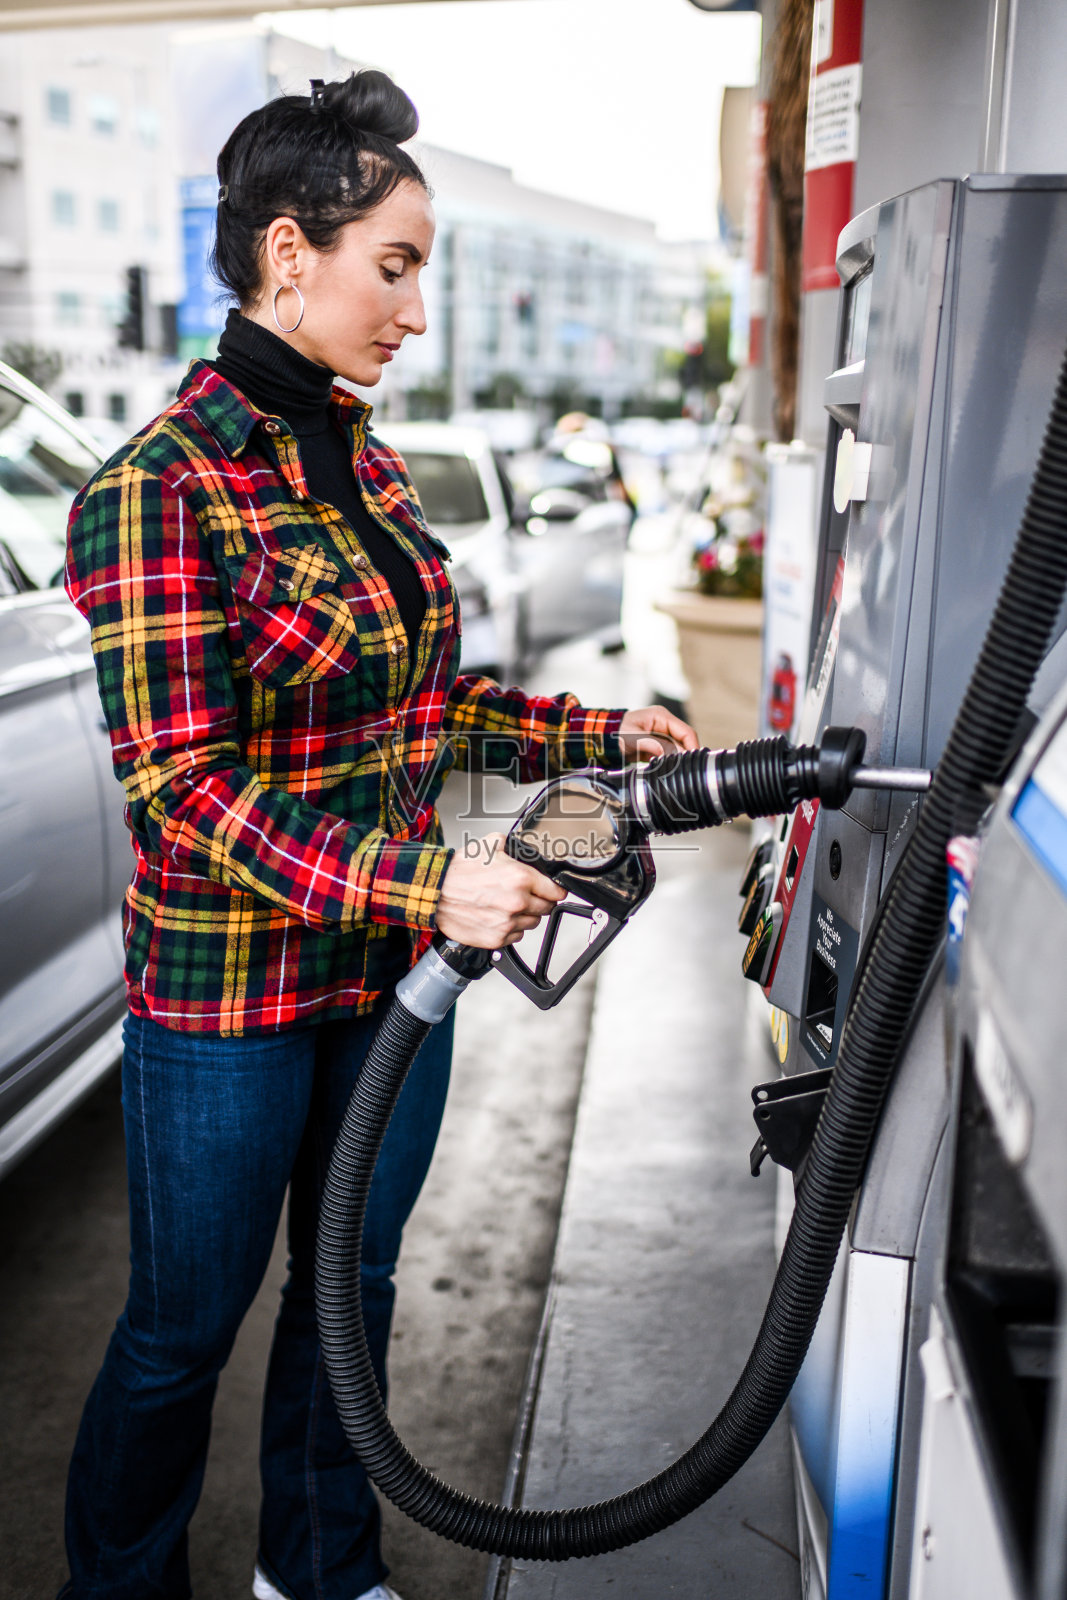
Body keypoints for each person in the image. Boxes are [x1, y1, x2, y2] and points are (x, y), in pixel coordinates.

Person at [59, 70, 698, 1600]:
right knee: (181, 1331)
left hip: (395, 971)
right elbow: (185, 790)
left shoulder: (370, 460)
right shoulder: (157, 490)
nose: (414, 310)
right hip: (232, 999)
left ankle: (318, 1568)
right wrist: (431, 878)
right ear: (292, 252)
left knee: (350, 1290)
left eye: (422, 272)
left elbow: (423, 699)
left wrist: (592, 733)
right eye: (393, 266)